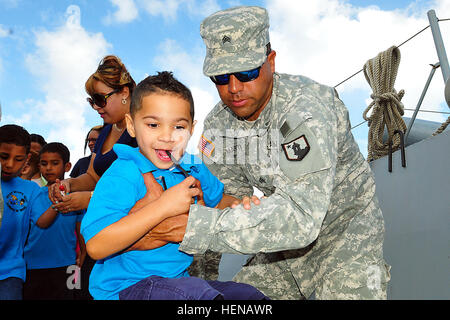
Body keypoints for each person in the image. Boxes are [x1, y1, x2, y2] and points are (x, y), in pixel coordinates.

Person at [159, 6, 392, 300]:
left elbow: (301, 215)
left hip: (346, 241)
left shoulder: (306, 107)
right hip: (282, 251)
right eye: (220, 77)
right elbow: (222, 200)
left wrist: (191, 228)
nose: (234, 88)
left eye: (246, 72)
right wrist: (194, 284)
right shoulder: (218, 126)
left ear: (270, 61)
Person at [80, 71, 267, 300]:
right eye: (153, 125)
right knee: (194, 294)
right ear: (131, 125)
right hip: (125, 287)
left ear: (191, 129)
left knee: (246, 295)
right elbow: (97, 245)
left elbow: (218, 201)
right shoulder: (123, 174)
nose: (167, 136)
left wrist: (242, 205)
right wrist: (164, 206)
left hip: (177, 279)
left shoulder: (193, 166)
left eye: (178, 127)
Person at [48, 55, 137, 213]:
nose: (95, 107)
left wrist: (91, 198)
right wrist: (69, 183)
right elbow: (92, 177)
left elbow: (144, 184)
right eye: (91, 101)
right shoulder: (106, 131)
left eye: (99, 99)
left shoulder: (144, 129)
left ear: (124, 92)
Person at [23, 142, 86, 300]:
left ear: (67, 166)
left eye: (55, 163)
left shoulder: (76, 197)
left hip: (70, 266)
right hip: (33, 266)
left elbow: (81, 233)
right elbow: (42, 223)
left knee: (73, 297)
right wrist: (59, 201)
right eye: (44, 164)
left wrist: (82, 259)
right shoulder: (35, 194)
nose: (48, 168)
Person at [0, 124, 49, 300]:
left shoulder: (30, 189)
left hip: (9, 272)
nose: (9, 164)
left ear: (27, 159)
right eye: (3, 157)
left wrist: (57, 204)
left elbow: (42, 222)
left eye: (18, 159)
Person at [69, 124, 103, 300]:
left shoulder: (113, 164)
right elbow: (72, 186)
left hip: (100, 227)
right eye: (89, 140)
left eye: (95, 140)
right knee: (75, 274)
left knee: (91, 267)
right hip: (77, 224)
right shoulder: (82, 164)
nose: (91, 143)